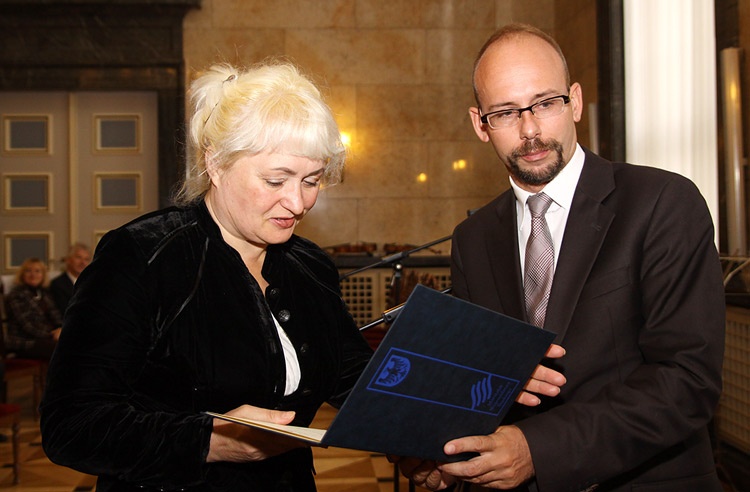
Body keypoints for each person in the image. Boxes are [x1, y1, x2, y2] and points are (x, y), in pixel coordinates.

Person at [40, 60, 564, 492]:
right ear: (215, 163)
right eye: (276, 180)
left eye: (311, 180)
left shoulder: (307, 266)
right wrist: (209, 440)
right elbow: (71, 425)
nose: (297, 202)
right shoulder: (141, 256)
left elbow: (360, 380)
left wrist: (473, 387)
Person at [395, 23, 726, 491]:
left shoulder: (662, 202)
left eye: (546, 103)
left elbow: (687, 380)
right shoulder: (473, 237)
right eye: (505, 113)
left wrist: (539, 450)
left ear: (576, 102)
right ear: (480, 124)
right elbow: (479, 379)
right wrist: (443, 451)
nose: (530, 130)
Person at [4, 257, 63, 359]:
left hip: (46, 338)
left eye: (37, 271)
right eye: (28, 271)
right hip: (24, 341)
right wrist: (51, 334)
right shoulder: (16, 295)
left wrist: (61, 329)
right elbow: (28, 325)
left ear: (43, 275)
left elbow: (56, 315)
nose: (33, 275)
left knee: (75, 343)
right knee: (63, 349)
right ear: (22, 274)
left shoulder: (45, 293)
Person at [49, 242, 91, 314]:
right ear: (68, 260)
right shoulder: (57, 284)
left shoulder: (92, 283)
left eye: (86, 259)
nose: (83, 262)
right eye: (78, 257)